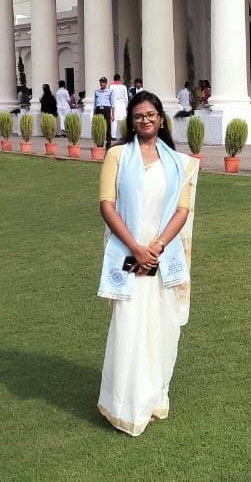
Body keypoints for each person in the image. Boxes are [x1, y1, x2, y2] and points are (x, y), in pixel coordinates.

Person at [97, 91, 199, 437]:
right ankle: (123, 404)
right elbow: (107, 205)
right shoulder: (117, 156)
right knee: (128, 325)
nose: (145, 120)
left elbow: (181, 210)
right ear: (131, 120)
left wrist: (155, 247)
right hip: (128, 252)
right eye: (139, 115)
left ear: (160, 119)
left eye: (151, 115)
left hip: (162, 254)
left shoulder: (177, 163)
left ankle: (154, 397)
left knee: (161, 326)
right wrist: (136, 249)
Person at [93, 76, 115, 150]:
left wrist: (113, 114)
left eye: (103, 82)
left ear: (106, 83)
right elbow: (95, 104)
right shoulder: (97, 91)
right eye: (101, 82)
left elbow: (112, 104)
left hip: (106, 108)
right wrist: (94, 113)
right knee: (99, 126)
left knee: (108, 126)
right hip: (98, 109)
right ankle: (100, 142)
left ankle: (108, 143)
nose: (101, 83)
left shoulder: (110, 91)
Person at [110, 74, 129, 139]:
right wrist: (126, 106)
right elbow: (126, 98)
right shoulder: (124, 87)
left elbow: (110, 97)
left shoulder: (111, 87)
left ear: (114, 79)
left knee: (113, 120)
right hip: (122, 104)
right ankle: (122, 135)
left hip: (114, 104)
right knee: (122, 121)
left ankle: (113, 136)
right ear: (119, 78)